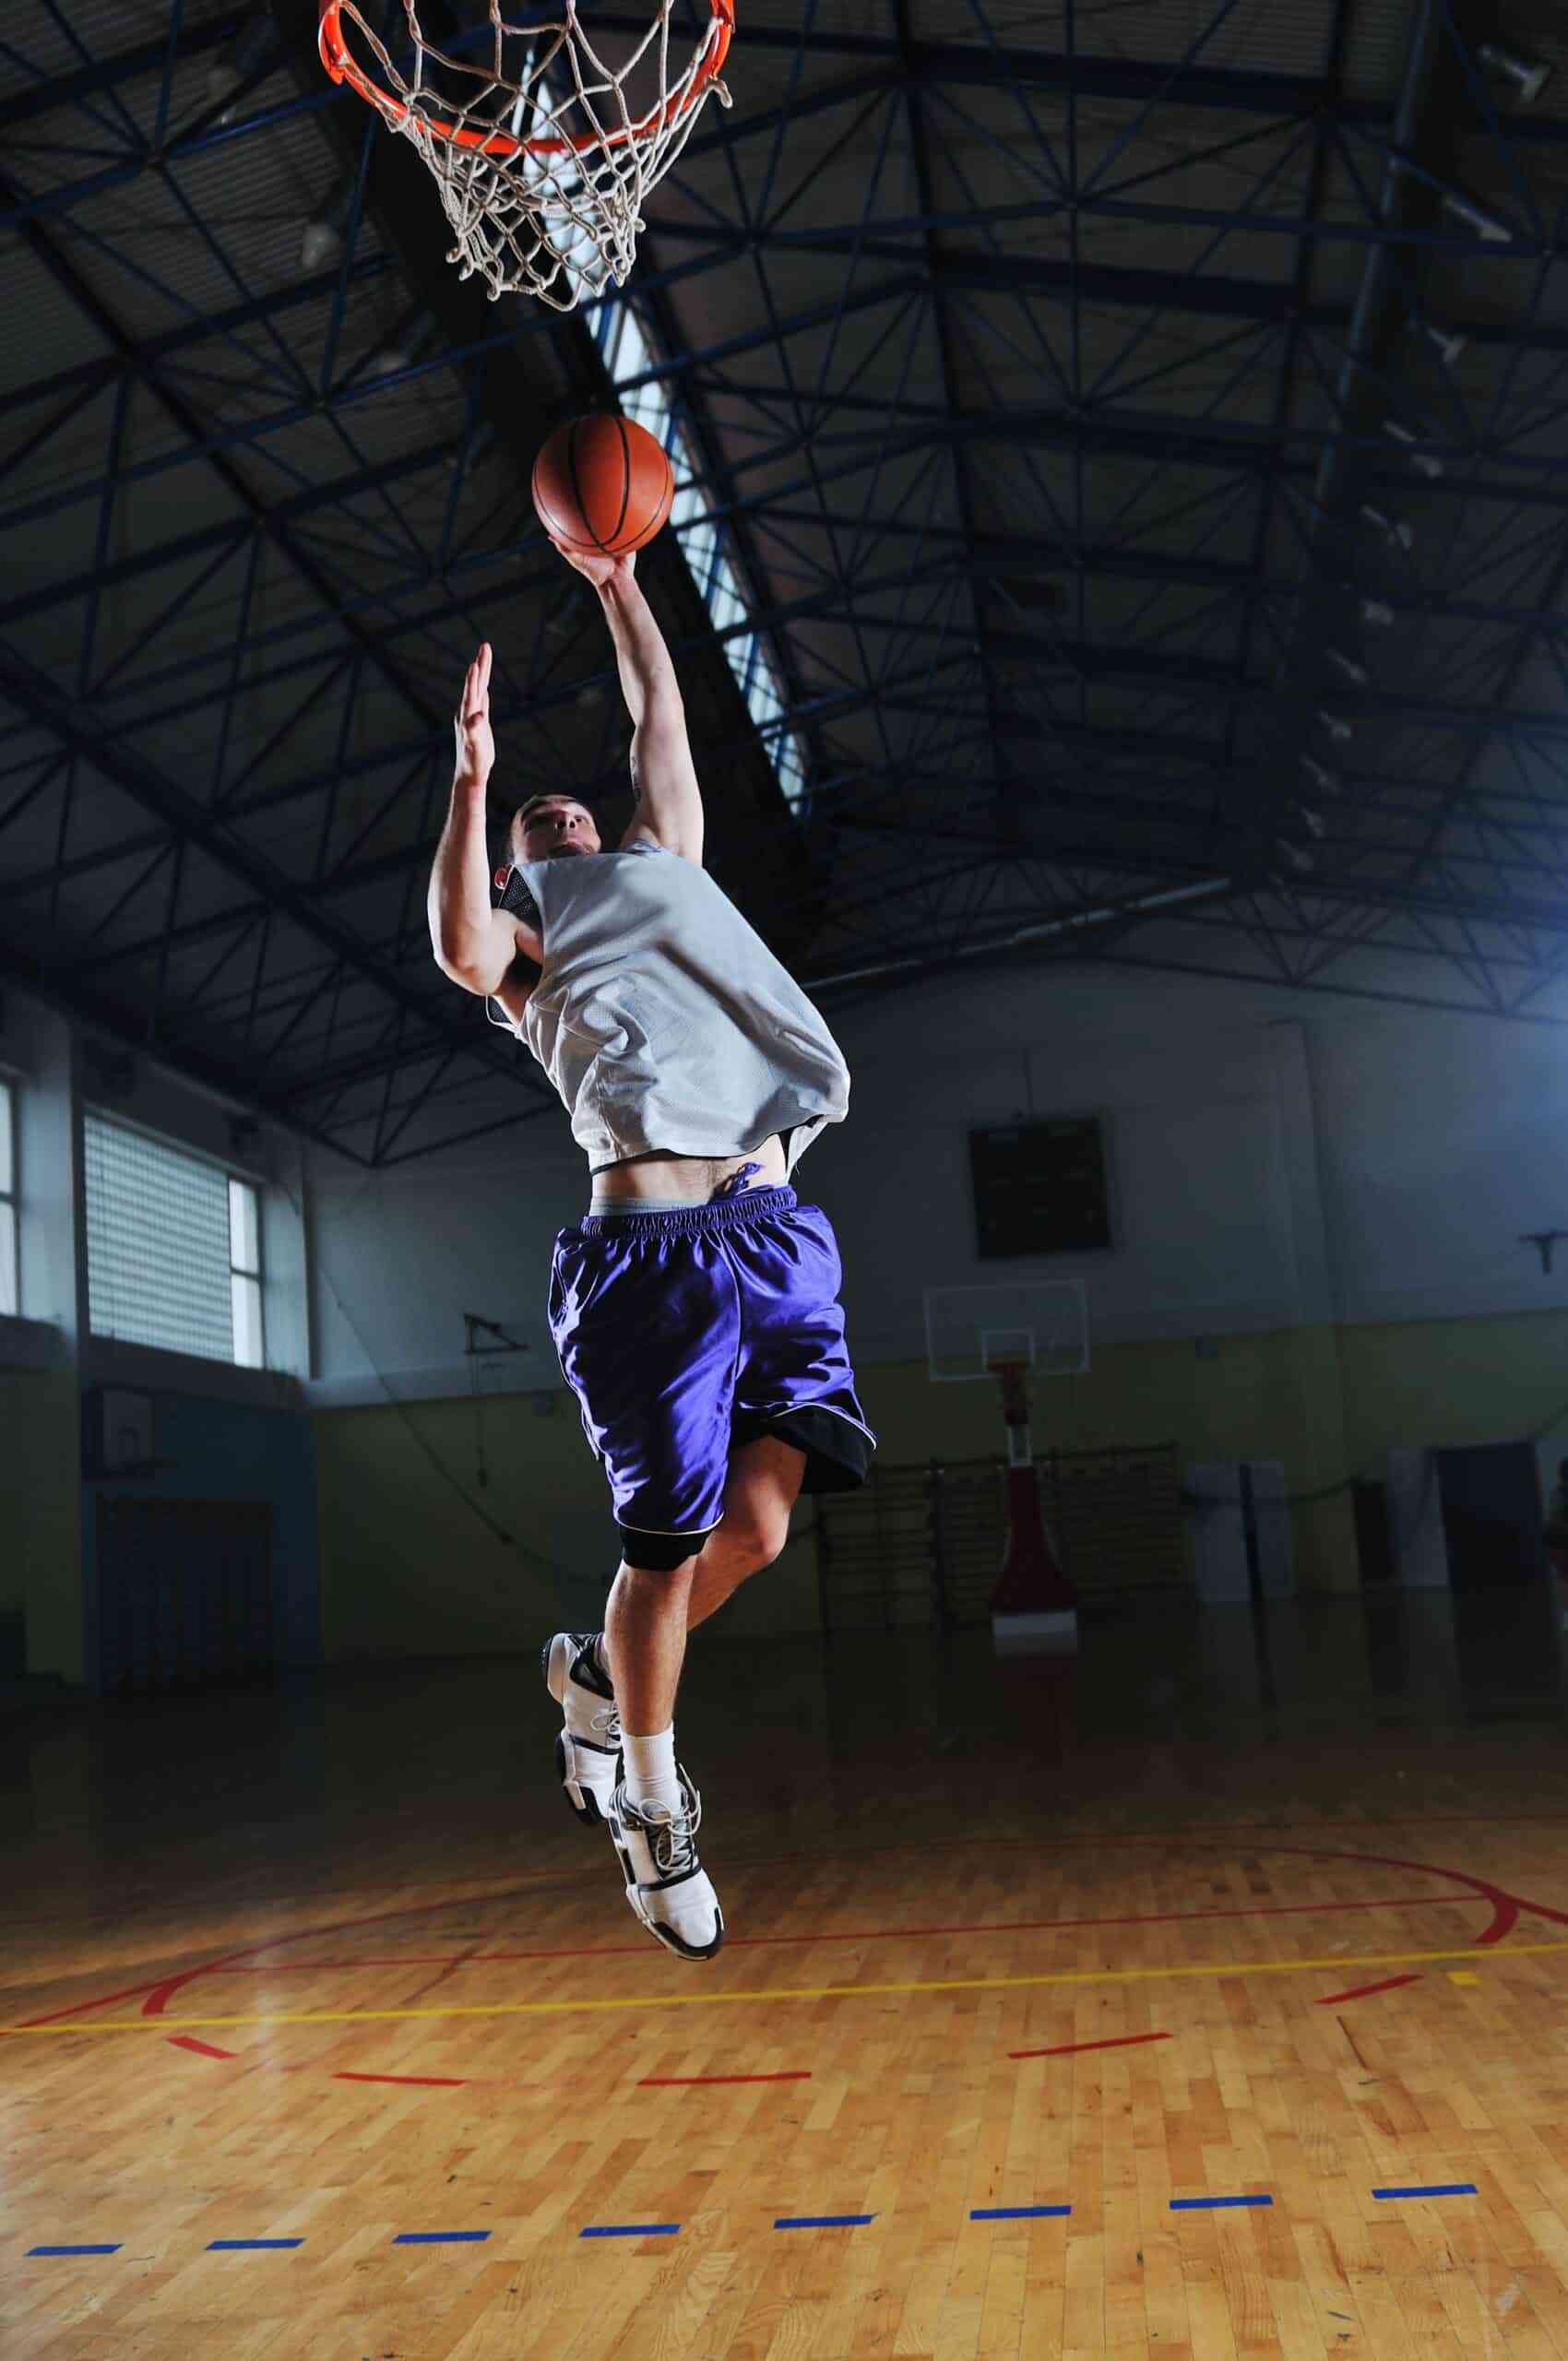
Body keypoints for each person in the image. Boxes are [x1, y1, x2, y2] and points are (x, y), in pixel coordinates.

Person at [426, 540, 874, 1961]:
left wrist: (619, 580)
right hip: (649, 1260)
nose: (561, 806)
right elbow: (456, 946)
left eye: (570, 799)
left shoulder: (662, 872)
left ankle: (599, 1688)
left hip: (774, 1231)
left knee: (763, 1529)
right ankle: (653, 1803)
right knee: (667, 1549)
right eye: (535, 817)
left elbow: (658, 719)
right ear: (520, 868)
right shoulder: (531, 952)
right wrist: (473, 778)